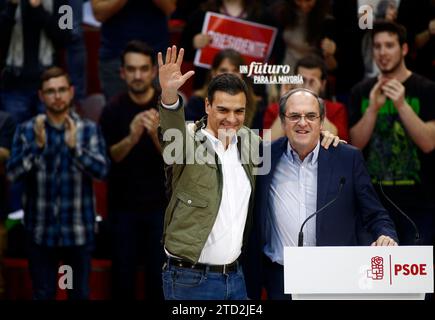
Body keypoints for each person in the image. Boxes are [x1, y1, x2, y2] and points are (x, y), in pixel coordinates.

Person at [157, 45, 340, 300]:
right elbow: (169, 133)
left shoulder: (251, 143)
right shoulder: (186, 140)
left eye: (239, 111)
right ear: (207, 105)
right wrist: (169, 96)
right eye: (223, 109)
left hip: (236, 279)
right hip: (190, 280)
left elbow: (290, 140)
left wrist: (321, 135)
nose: (231, 118)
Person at [246, 88, 398, 300]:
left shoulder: (347, 158)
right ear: (282, 121)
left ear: (321, 121)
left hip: (335, 275)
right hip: (279, 278)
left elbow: (375, 214)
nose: (302, 122)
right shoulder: (263, 157)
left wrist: (386, 236)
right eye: (294, 116)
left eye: (310, 116)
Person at [6, 67, 109, 300]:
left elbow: (102, 172)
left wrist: (76, 149)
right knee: (43, 294)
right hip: (40, 233)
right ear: (41, 96)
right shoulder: (27, 131)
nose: (57, 96)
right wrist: (36, 148)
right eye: (51, 91)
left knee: (78, 294)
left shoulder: (88, 130)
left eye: (62, 89)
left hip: (77, 233)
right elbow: (12, 174)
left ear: (71, 92)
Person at [349, 21, 435, 247]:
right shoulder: (361, 91)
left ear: (404, 49)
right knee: (374, 276)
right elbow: (355, 144)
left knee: (416, 279)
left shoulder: (426, 89)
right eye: (377, 46)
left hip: (419, 202)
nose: (382, 52)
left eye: (389, 45)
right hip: (373, 204)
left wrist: (401, 105)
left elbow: (429, 143)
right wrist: (373, 109)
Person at [99, 41, 167, 300]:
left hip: (160, 209)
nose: (137, 75)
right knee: (122, 281)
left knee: (157, 282)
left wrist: (154, 135)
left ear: (152, 72)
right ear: (122, 73)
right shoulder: (112, 109)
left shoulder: (169, 108)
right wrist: (131, 136)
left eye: (143, 69)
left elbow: (179, 160)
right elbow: (110, 158)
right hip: (122, 209)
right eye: (131, 69)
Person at [91, 0, 176, 101]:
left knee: (163, 112)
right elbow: (99, 14)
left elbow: (170, 8)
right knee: (117, 113)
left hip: (157, 55)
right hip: (115, 55)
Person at [264, 54, 349, 141]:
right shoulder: (274, 109)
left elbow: (338, 143)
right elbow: (266, 147)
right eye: (303, 80)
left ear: (323, 84)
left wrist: (315, 100)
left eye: (312, 81)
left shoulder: (337, 109)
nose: (306, 86)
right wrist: (285, 105)